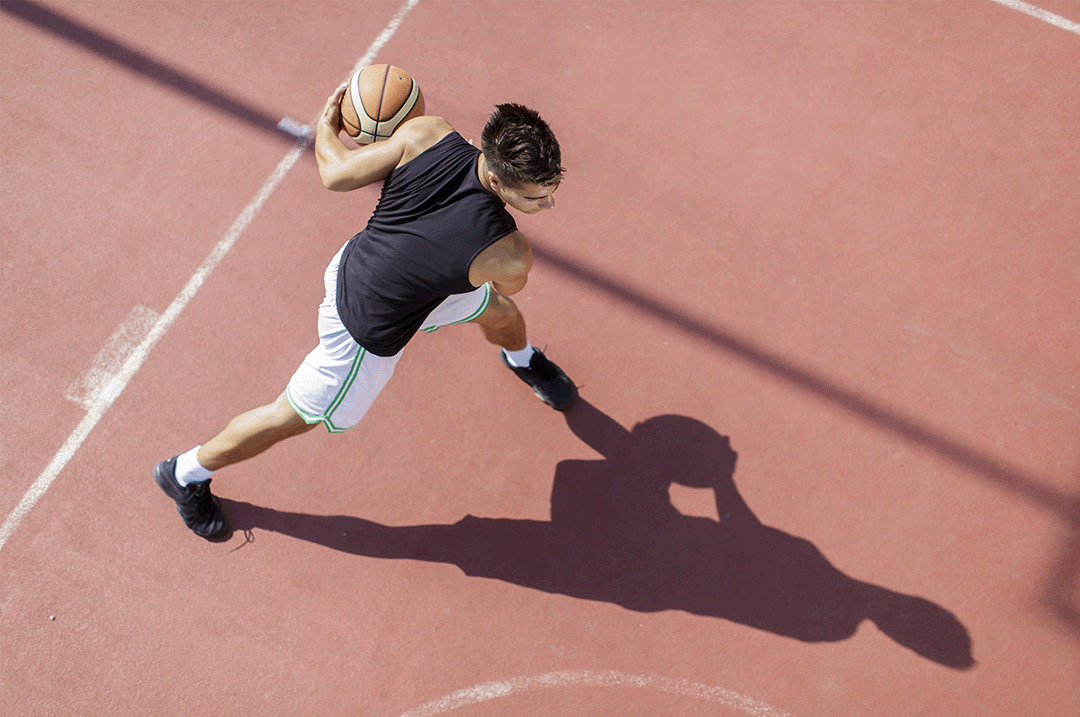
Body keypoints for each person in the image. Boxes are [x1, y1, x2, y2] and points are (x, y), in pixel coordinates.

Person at [153, 84, 578, 539]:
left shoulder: (428, 132)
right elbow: (508, 276)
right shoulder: (508, 251)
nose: (548, 204)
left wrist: (326, 125)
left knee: (498, 312)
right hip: (365, 327)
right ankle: (184, 473)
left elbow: (335, 174)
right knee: (290, 416)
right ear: (496, 180)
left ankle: (522, 358)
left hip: (366, 264)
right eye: (536, 198)